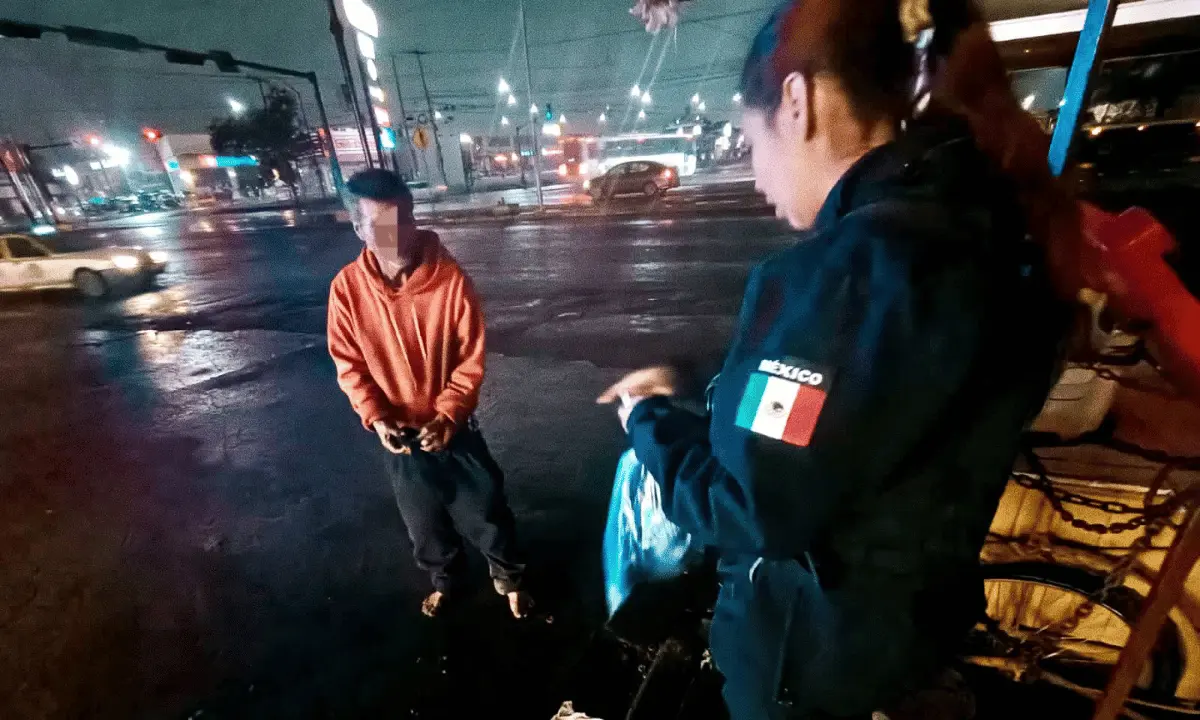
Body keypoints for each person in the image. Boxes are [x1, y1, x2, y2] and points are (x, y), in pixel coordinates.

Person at [598, 0, 1076, 717]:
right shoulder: (988, 223)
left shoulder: (846, 274)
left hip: (812, 662)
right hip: (910, 628)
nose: (756, 174)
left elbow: (751, 509)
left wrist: (650, 421)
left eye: (751, 140)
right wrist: (701, 382)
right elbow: (861, 407)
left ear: (798, 102)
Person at [327, 169, 533, 619]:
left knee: (487, 509)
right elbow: (349, 363)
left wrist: (449, 414)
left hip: (455, 429)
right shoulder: (346, 289)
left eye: (404, 219)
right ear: (358, 228)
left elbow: (469, 359)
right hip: (399, 436)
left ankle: (510, 580)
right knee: (424, 525)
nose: (398, 234)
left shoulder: (451, 279)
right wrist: (376, 416)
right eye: (381, 224)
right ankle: (446, 582)